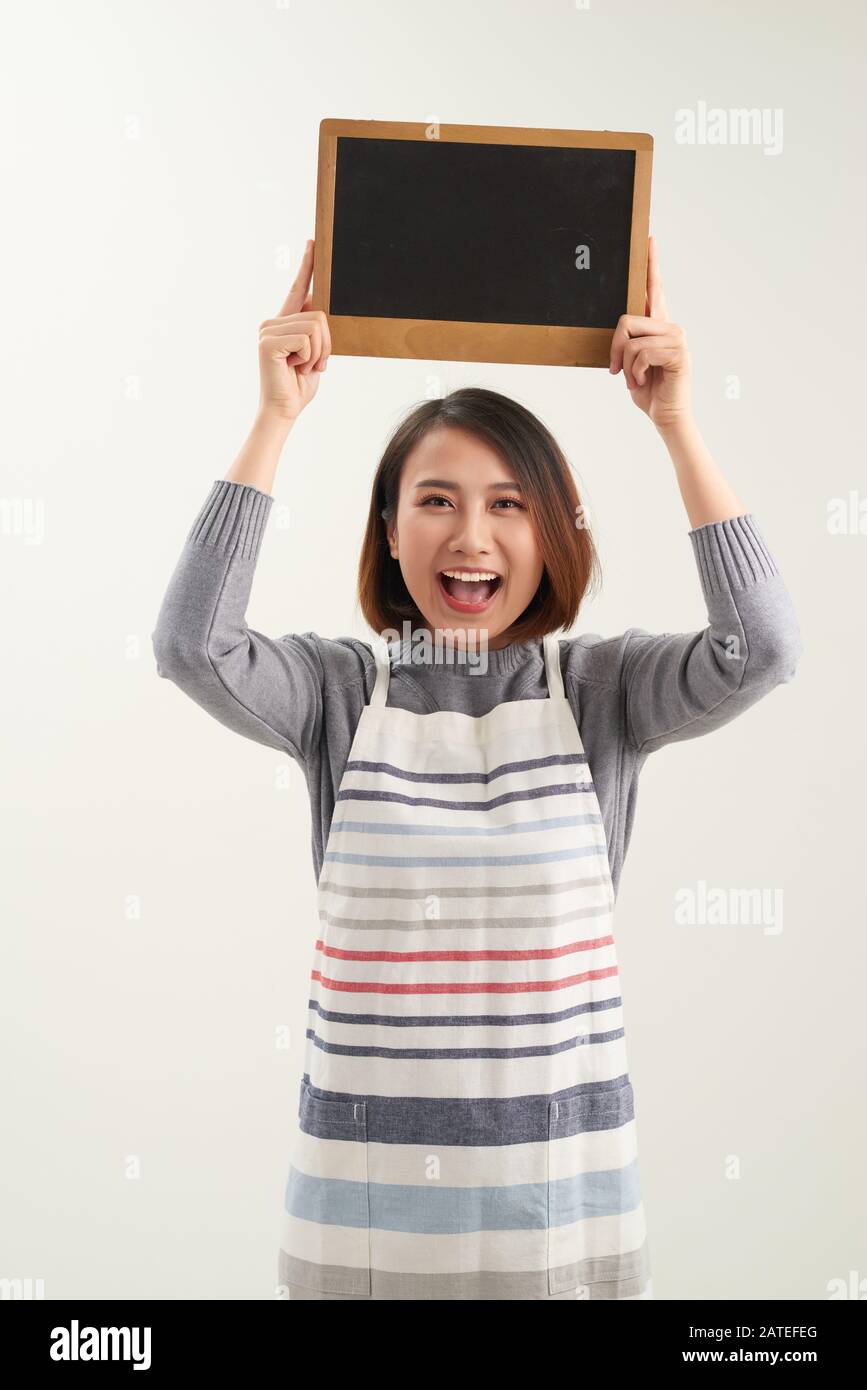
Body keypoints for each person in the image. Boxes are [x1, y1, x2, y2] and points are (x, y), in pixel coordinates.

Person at [151, 236, 802, 1300]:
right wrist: (275, 419)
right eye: (438, 499)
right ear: (391, 528)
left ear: (551, 533)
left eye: (509, 503)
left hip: (556, 1206)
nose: (473, 536)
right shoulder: (335, 693)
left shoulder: (602, 691)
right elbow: (192, 647)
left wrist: (677, 422)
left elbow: (763, 649)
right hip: (365, 1211)